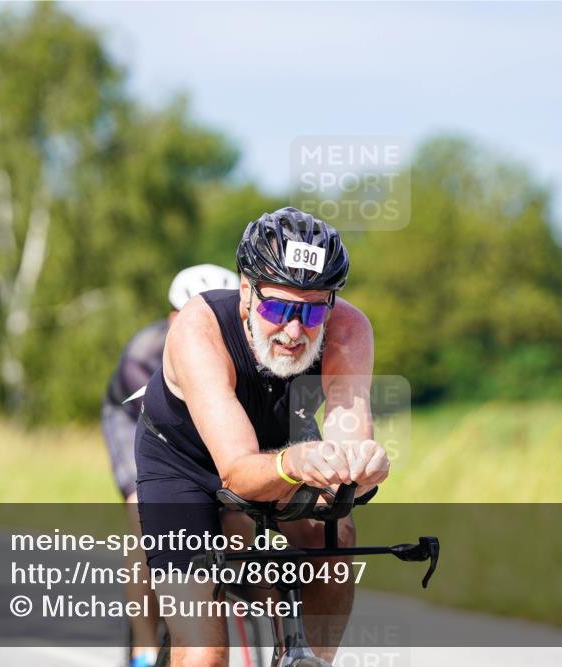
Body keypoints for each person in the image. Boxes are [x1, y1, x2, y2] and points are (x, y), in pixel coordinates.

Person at [136, 207, 390, 667]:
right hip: (183, 468)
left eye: (313, 311)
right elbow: (237, 472)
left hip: (276, 452)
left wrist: (363, 468)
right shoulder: (199, 328)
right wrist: (296, 463)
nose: (294, 330)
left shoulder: (349, 330)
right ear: (246, 291)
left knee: (336, 529)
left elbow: (350, 442)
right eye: (277, 308)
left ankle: (309, 659)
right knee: (204, 654)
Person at [101, 263, 239, 667]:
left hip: (198, 427)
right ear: (173, 318)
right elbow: (173, 434)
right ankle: (144, 649)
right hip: (135, 422)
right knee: (145, 520)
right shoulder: (144, 354)